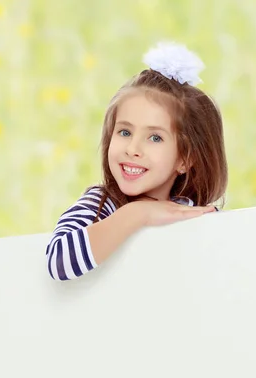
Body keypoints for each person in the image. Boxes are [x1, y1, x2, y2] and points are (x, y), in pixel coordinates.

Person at [46, 42, 228, 281]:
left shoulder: (189, 212)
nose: (132, 149)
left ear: (185, 159)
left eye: (154, 138)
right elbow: (59, 262)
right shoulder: (101, 205)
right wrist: (137, 214)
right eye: (124, 132)